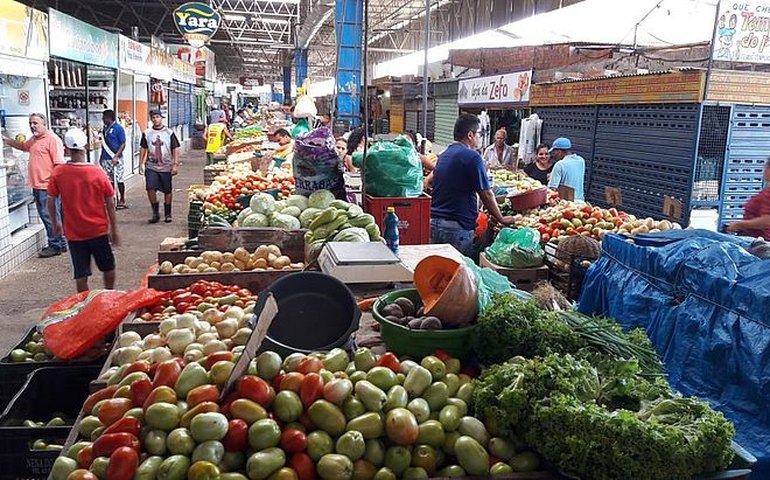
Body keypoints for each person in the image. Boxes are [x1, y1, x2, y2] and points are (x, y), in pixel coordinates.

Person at [430, 114, 515, 256]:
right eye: (479, 134)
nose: (480, 138)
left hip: (435, 224)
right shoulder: (472, 157)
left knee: (440, 274)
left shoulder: (445, 154)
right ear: (470, 135)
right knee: (459, 274)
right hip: (456, 228)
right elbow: (486, 193)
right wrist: (501, 218)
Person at [48, 129, 119, 292]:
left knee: (81, 273)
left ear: (66, 150)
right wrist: (114, 229)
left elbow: (51, 200)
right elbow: (110, 201)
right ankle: (108, 295)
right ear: (86, 147)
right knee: (108, 267)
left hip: (74, 233)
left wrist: (56, 223)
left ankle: (84, 305)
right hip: (98, 230)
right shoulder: (97, 172)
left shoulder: (58, 173)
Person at [2, 113, 67, 257]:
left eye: (35, 123)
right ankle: (60, 243)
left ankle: (55, 245)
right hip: (37, 185)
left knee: (49, 216)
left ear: (45, 124)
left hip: (47, 186)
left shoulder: (52, 139)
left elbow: (58, 164)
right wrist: (7, 140)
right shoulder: (35, 139)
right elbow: (24, 146)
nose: (32, 126)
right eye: (31, 123)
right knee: (50, 216)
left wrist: (54, 185)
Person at [139, 110, 180, 224]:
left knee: (167, 190)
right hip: (151, 166)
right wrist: (140, 163)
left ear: (161, 118)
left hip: (166, 166)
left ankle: (168, 213)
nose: (156, 119)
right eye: (153, 117)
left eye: (158, 117)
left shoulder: (169, 132)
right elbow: (143, 148)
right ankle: (155, 212)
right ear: (151, 119)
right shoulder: (147, 133)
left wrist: (175, 164)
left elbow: (175, 148)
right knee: (150, 188)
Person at [726, 158, 770, 239]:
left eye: (766, 167)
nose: (764, 170)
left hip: (759, 242)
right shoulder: (767, 190)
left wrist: (739, 225)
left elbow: (767, 220)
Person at [99, 110, 127, 209]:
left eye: (104, 118)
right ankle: (111, 198)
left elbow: (123, 144)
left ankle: (122, 198)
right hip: (105, 158)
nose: (103, 120)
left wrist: (116, 156)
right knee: (108, 180)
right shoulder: (104, 130)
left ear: (109, 118)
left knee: (119, 179)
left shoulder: (118, 129)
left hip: (116, 158)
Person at [547, 137, 586, 201]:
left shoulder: (560, 164)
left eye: (554, 152)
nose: (553, 155)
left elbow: (552, 189)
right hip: (580, 202)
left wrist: (550, 179)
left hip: (565, 204)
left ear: (559, 152)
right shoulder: (581, 161)